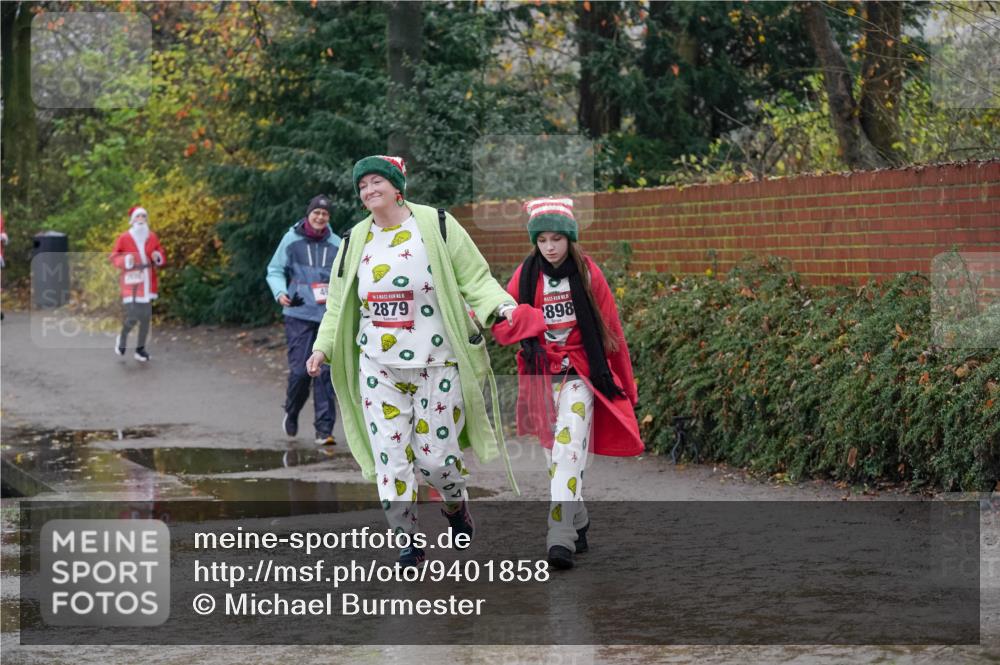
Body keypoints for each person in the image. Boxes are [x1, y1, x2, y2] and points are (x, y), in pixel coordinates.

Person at [306, 155, 518, 566]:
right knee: (392, 456)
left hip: (436, 362)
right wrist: (322, 347)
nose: (368, 190)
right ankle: (407, 537)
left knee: (436, 460)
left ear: (396, 185)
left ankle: (456, 507)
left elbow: (475, 279)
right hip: (378, 366)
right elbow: (336, 306)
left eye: (375, 182)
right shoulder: (354, 241)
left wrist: (504, 309)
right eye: (362, 185)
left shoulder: (436, 225)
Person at [491, 197, 642, 570]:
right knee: (553, 458)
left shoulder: (589, 274)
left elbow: (612, 332)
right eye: (542, 240)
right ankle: (578, 518)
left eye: (557, 239)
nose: (550, 247)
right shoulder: (524, 276)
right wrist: (518, 319)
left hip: (581, 375)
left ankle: (559, 535)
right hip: (541, 378)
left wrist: (626, 385)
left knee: (568, 448)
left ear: (570, 239)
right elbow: (502, 325)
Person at [266, 194, 341, 446]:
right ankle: (292, 409)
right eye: (316, 213)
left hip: (327, 317)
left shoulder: (337, 244)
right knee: (300, 372)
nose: (320, 217)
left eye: (325, 214)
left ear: (329, 218)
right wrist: (280, 292)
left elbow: (345, 278)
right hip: (298, 313)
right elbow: (274, 270)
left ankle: (324, 430)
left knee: (325, 373)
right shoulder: (291, 239)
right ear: (309, 214)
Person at [110, 207, 167, 362]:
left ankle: (140, 350)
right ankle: (122, 339)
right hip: (131, 280)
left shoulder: (152, 236)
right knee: (134, 315)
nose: (141, 218)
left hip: (148, 280)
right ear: (133, 220)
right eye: (138, 216)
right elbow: (114, 257)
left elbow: (160, 253)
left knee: (146, 317)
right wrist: (125, 261)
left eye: (144, 216)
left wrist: (157, 256)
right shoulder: (124, 237)